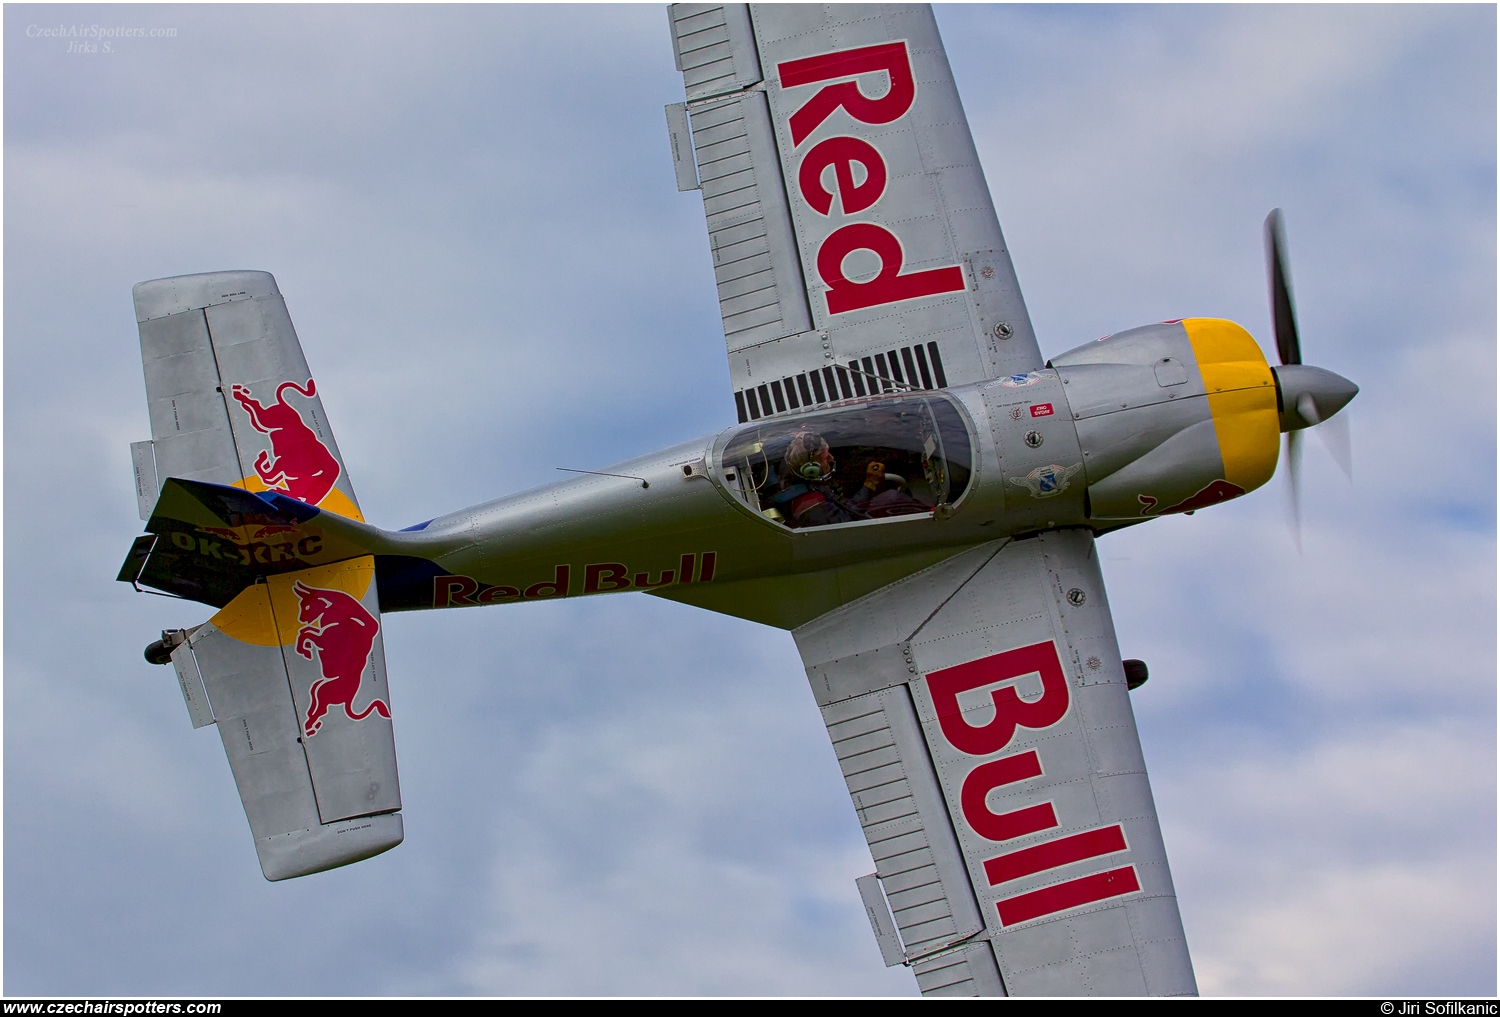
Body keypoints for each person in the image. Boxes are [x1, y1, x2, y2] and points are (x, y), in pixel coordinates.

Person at [766, 430, 868, 528]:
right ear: (811, 469)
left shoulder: (789, 469)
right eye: (825, 457)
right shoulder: (813, 504)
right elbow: (852, 521)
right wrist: (869, 485)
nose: (831, 458)